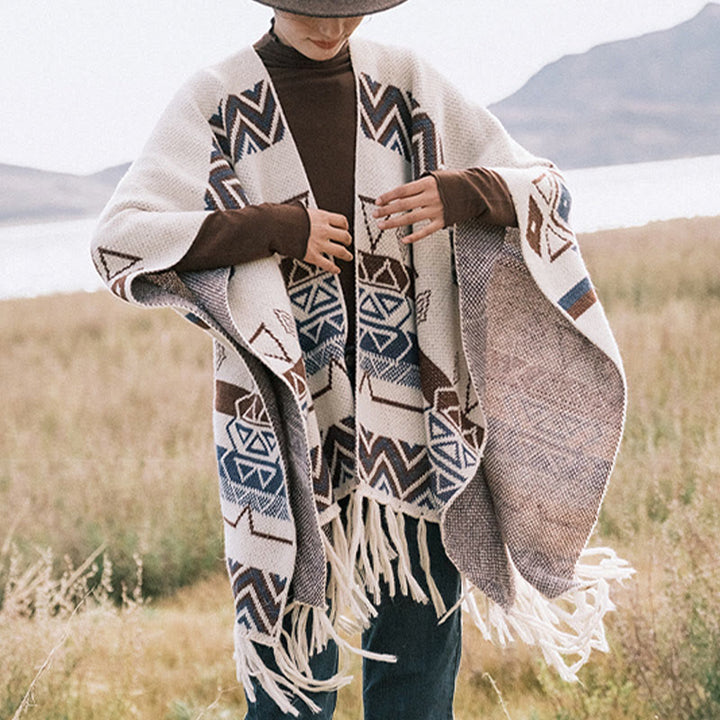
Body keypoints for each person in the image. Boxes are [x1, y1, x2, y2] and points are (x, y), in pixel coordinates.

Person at [91, 1, 631, 718]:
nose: (329, 26)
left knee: (418, 674)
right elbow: (121, 240)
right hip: (285, 432)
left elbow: (549, 190)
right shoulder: (217, 98)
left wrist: (462, 192)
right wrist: (273, 229)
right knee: (289, 681)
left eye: (347, 11)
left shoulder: (407, 82)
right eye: (312, 9)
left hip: (418, 432)